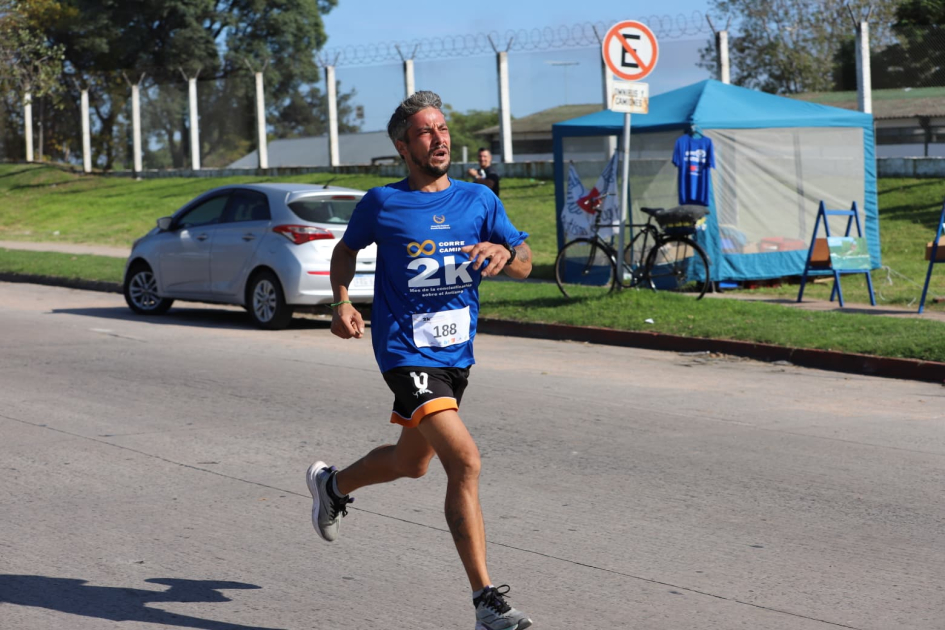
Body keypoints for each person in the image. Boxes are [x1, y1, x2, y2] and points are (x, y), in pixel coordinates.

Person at [307, 90, 534, 630]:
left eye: (443, 128)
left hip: (456, 355)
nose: (440, 138)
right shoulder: (382, 203)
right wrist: (341, 301)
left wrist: (506, 254)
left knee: (413, 464)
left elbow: (525, 261)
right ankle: (486, 602)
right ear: (402, 146)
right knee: (466, 461)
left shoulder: (479, 201)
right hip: (404, 353)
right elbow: (345, 250)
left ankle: (333, 486)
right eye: (427, 132)